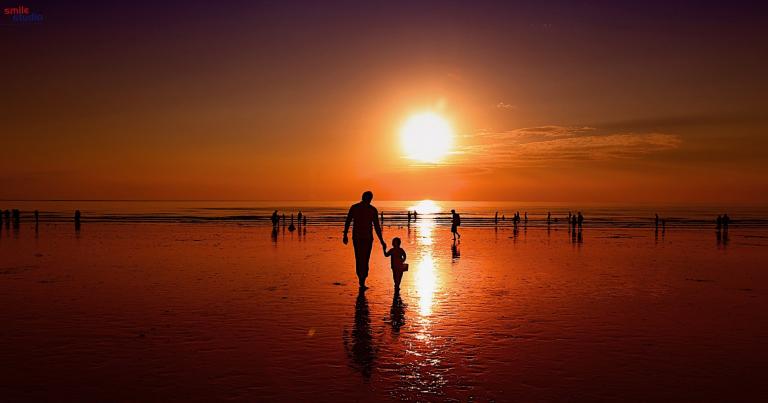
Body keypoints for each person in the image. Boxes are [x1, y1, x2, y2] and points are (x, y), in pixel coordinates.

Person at [343, 191, 386, 290]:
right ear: (369, 198)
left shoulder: (358, 208)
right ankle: (362, 280)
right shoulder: (369, 209)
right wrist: (381, 240)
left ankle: (362, 279)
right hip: (363, 238)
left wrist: (345, 234)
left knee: (361, 259)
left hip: (361, 238)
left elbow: (348, 221)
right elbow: (376, 227)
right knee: (363, 259)